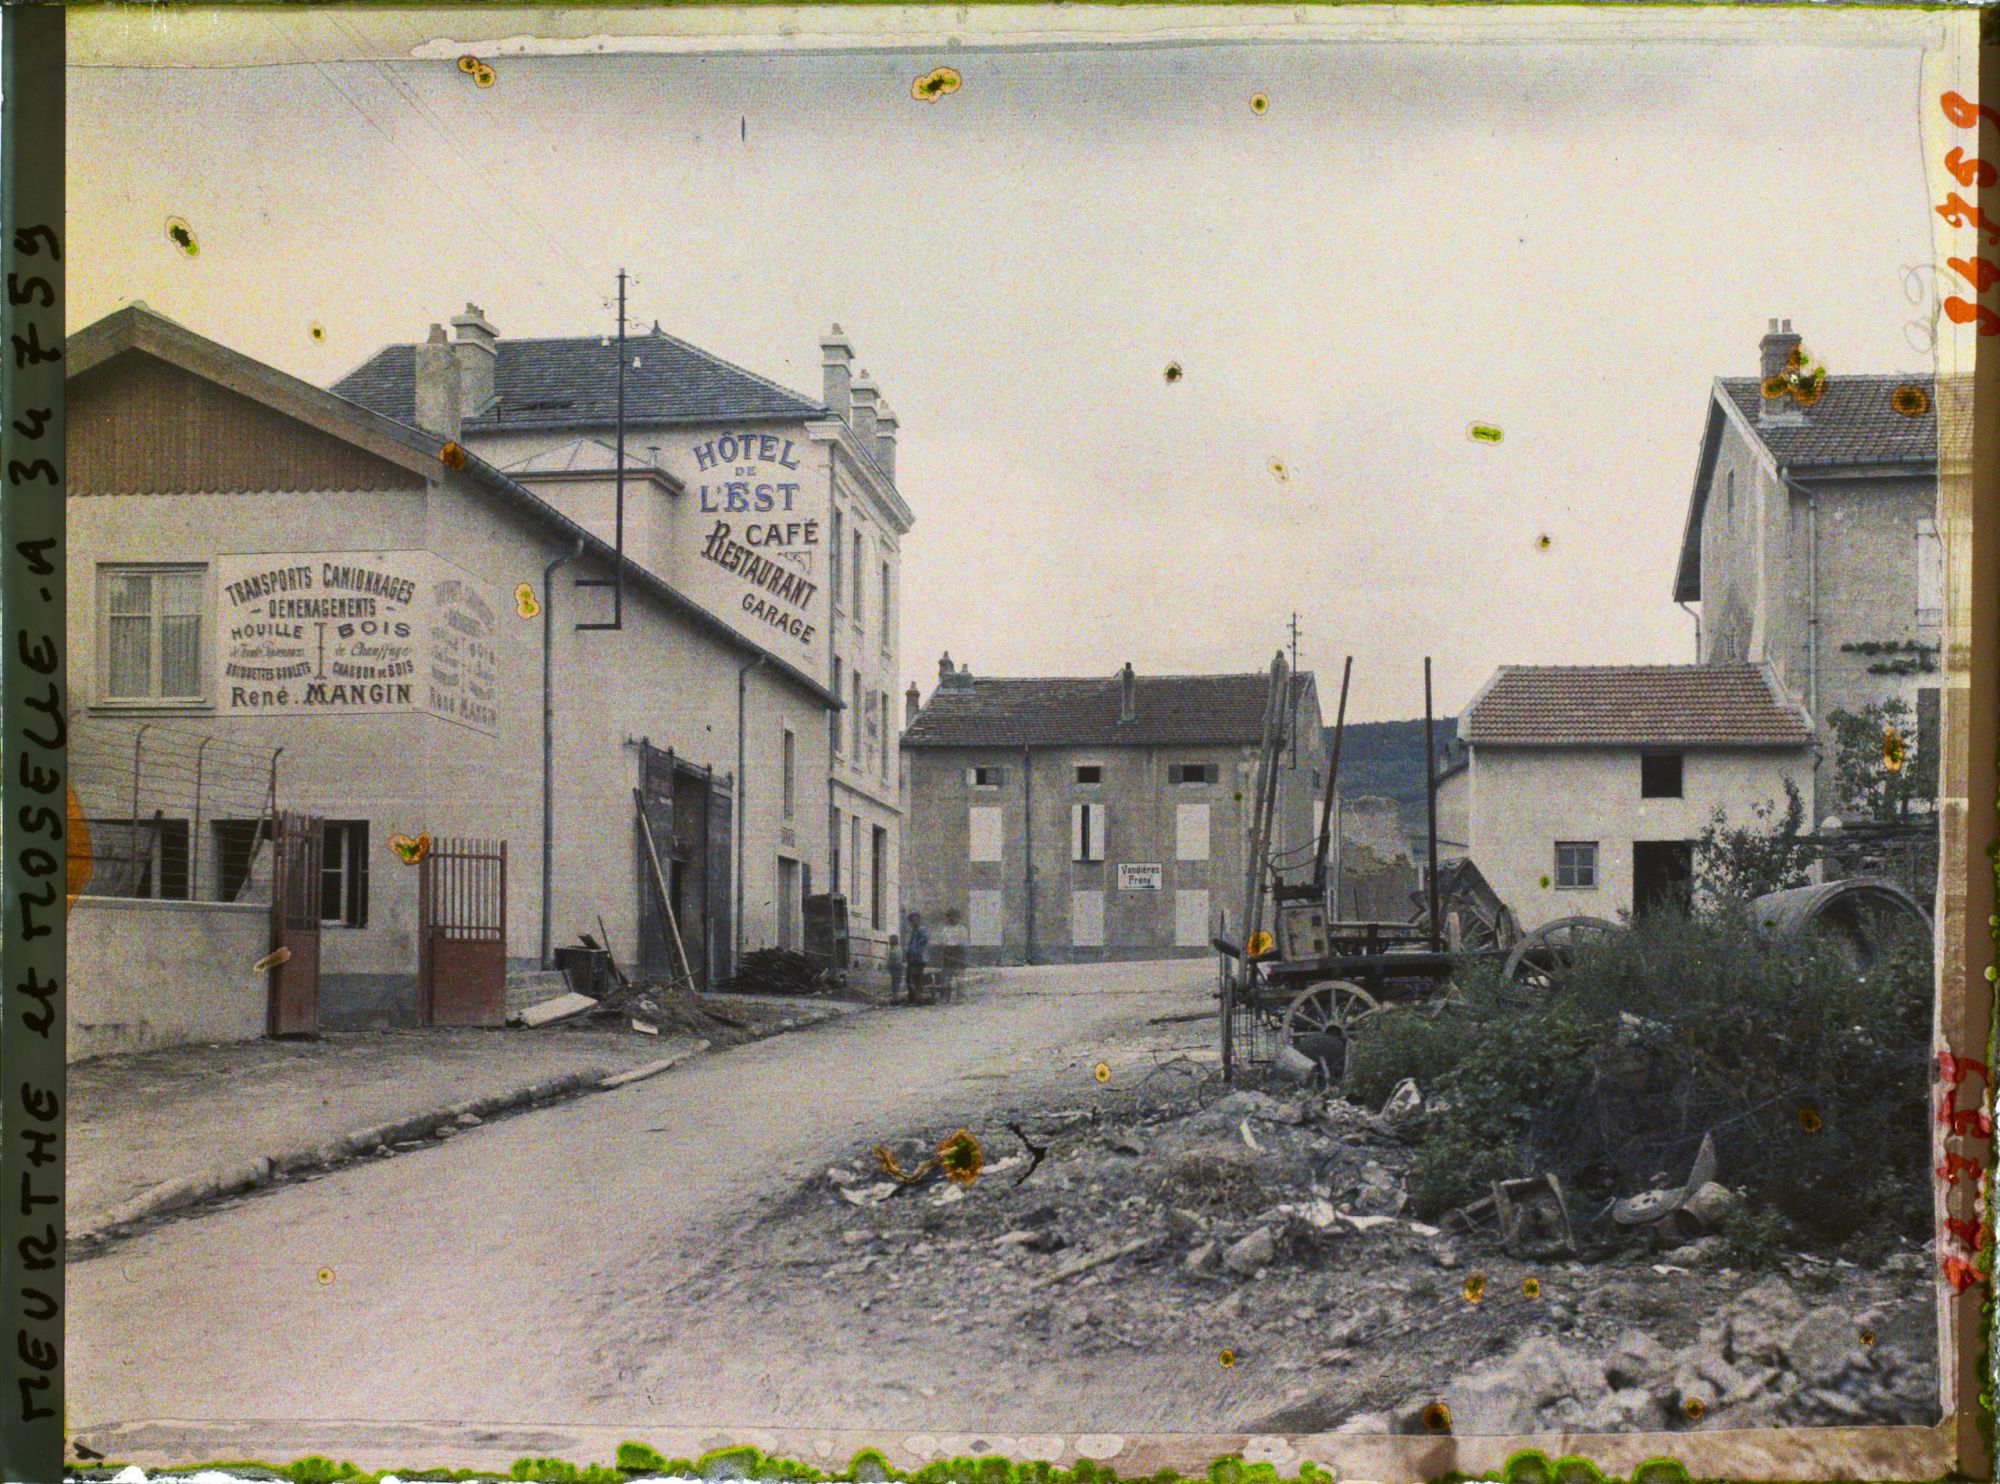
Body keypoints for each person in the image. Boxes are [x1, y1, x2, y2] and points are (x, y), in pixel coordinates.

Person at [904, 911, 931, 1004]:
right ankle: (914, 997)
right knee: (910, 978)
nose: (913, 922)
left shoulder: (921, 930)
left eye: (915, 920)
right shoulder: (914, 931)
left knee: (917, 978)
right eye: (911, 921)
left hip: (919, 958)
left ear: (918, 920)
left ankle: (918, 998)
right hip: (913, 958)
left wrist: (915, 947)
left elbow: (925, 939)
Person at [885, 932, 905, 1004]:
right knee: (897, 984)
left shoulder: (894, 950)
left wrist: (887, 966)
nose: (889, 942)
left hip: (895, 968)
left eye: (890, 940)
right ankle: (896, 998)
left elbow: (891, 960)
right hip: (899, 967)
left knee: (895, 984)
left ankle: (896, 999)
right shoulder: (899, 949)